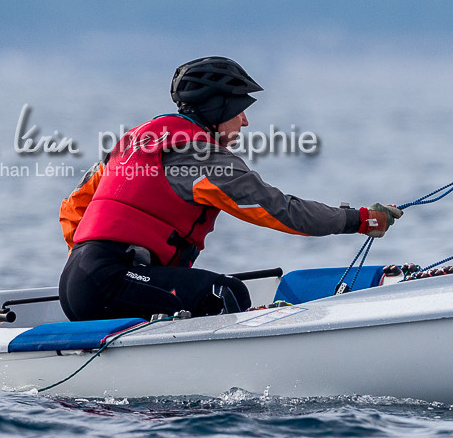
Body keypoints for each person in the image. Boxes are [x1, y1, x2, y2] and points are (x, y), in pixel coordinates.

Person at [57, 56, 403, 322]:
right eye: (240, 110)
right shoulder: (200, 154)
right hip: (111, 281)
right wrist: (359, 219)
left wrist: (100, 263)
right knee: (226, 292)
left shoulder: (134, 141)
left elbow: (73, 208)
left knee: (200, 291)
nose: (245, 121)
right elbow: (277, 208)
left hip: (76, 282)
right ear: (218, 108)